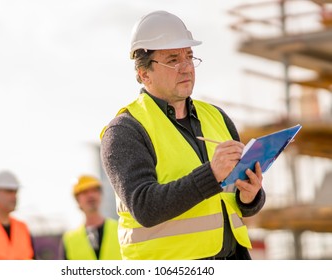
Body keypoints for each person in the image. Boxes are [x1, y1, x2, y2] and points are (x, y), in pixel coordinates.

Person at [100, 10, 266, 260]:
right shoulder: (124, 130)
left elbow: (232, 199)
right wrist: (211, 174)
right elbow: (144, 207)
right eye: (173, 59)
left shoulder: (217, 117)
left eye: (189, 56)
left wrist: (251, 196)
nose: (186, 67)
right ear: (144, 73)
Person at [59, 175, 121, 260]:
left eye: (94, 190)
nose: (90, 195)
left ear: (100, 195)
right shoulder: (69, 240)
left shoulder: (120, 229)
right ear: (77, 200)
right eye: (84, 192)